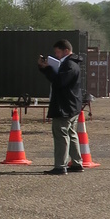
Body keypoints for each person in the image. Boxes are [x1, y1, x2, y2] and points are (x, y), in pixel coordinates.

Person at [37, 39, 84, 175]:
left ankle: (60, 166)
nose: (56, 55)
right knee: (71, 133)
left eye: (58, 52)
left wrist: (47, 69)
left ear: (66, 51)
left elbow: (59, 82)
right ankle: (76, 163)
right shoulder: (72, 64)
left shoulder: (69, 65)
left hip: (64, 106)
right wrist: (46, 69)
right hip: (72, 105)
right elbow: (59, 79)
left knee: (61, 135)